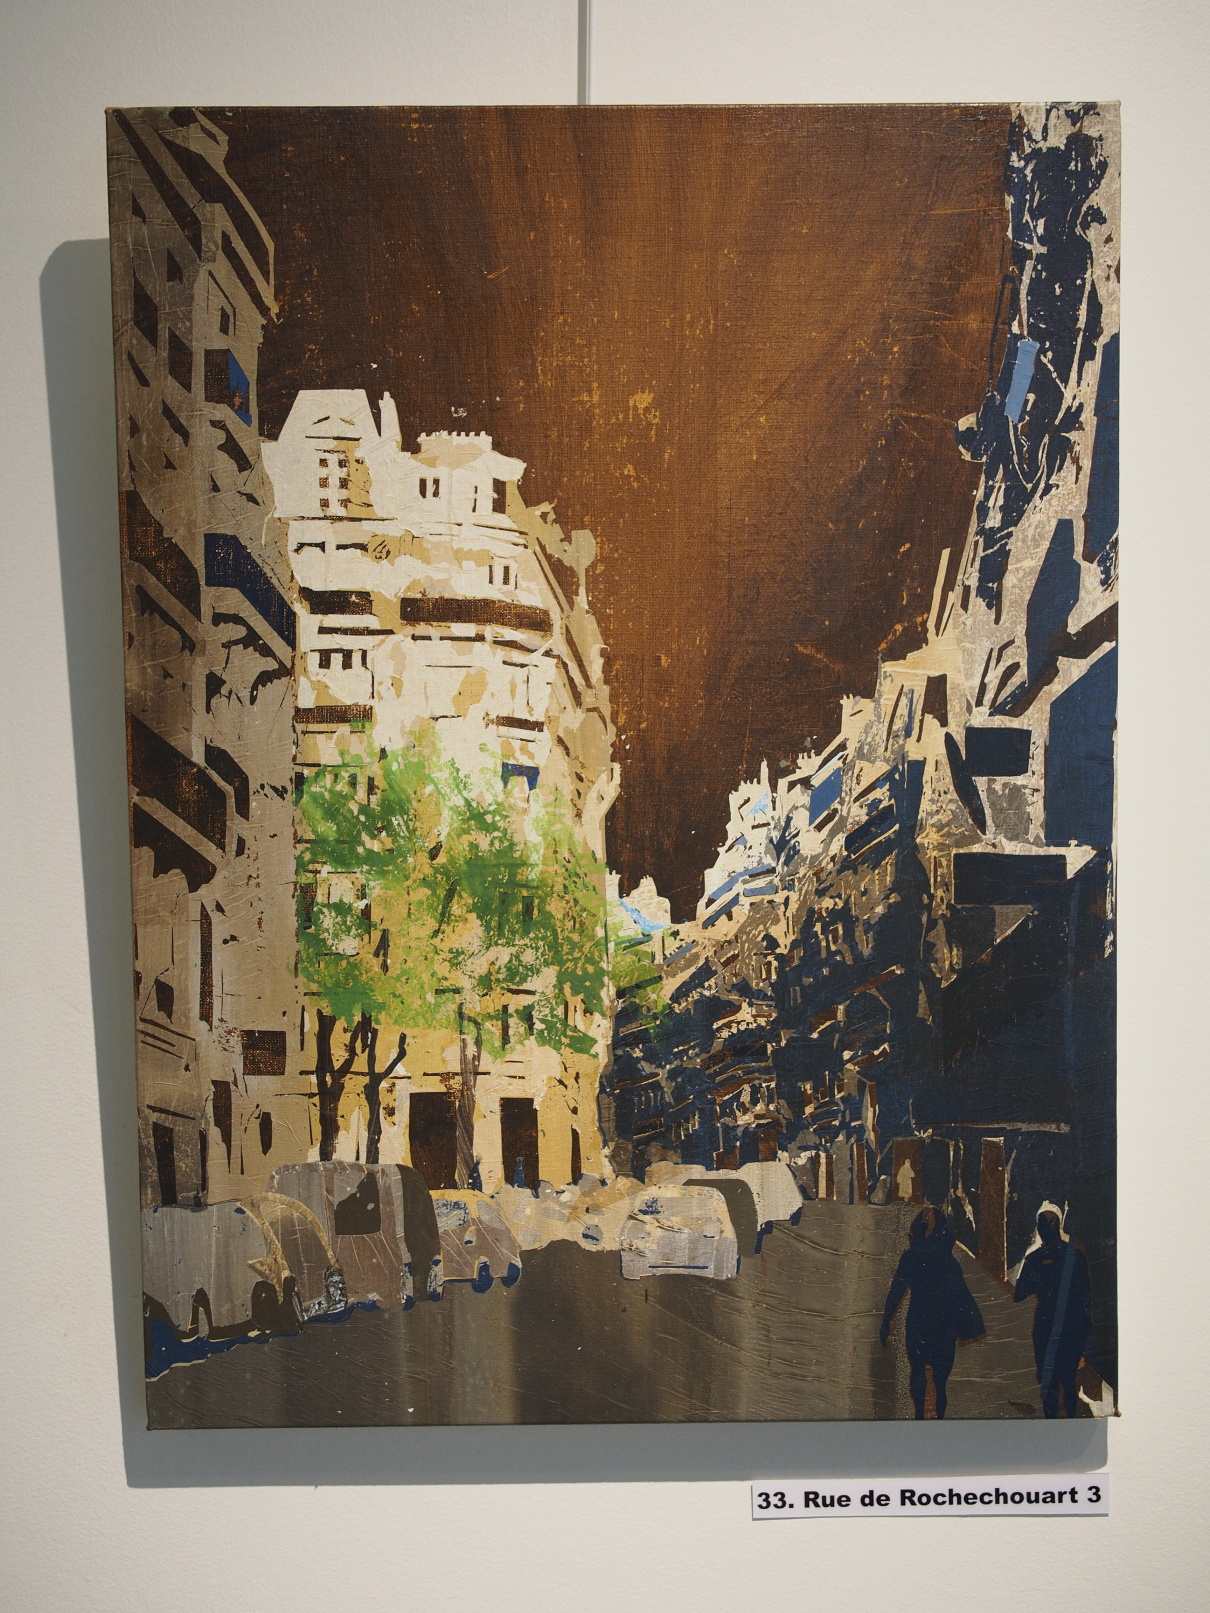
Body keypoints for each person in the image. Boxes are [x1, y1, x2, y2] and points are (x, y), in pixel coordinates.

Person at [880, 1207, 986, 1419]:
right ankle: (936, 1420)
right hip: (943, 1325)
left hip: (919, 1322)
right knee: (939, 1380)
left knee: (919, 1373)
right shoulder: (949, 1262)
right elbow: (960, 1297)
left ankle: (921, 1416)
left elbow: (896, 1292)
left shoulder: (911, 1258)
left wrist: (886, 1322)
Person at [1014, 1209, 1092, 1418]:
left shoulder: (1034, 1259)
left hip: (1047, 1323)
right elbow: (1085, 1297)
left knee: (1049, 1381)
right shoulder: (1075, 1256)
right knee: (1068, 1381)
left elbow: (1019, 1294)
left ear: (1040, 1230)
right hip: (1071, 1324)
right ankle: (1070, 1420)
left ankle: (1051, 1422)